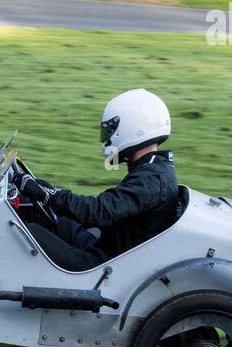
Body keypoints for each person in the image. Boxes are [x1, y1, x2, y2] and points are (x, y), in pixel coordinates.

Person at [15, 89, 179, 271]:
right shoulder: (154, 169)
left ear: (131, 128)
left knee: (20, 233)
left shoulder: (151, 179)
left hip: (104, 267)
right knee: (35, 213)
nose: (107, 137)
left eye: (110, 130)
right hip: (105, 248)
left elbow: (99, 211)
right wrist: (49, 194)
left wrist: (49, 196)